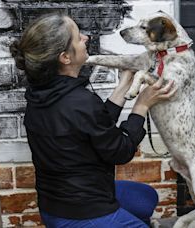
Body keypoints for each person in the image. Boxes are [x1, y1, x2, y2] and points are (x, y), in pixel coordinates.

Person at [10, 13, 177, 228]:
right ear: (65, 57)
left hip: (55, 204)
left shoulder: (41, 93)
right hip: (82, 213)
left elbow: (93, 125)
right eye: (78, 37)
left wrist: (123, 84)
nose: (86, 38)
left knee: (145, 198)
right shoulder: (81, 102)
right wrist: (142, 105)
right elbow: (121, 151)